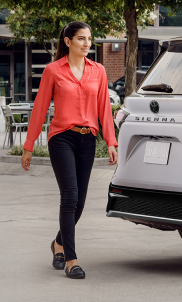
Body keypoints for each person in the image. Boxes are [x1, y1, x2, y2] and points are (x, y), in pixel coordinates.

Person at [21, 21, 118, 279]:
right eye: (81, 39)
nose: (87, 44)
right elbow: (40, 108)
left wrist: (110, 140)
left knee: (80, 203)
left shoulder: (98, 71)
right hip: (62, 138)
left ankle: (57, 244)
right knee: (70, 196)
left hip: (88, 139)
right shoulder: (53, 71)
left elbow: (104, 109)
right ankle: (71, 260)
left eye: (89, 39)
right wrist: (29, 146)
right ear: (68, 42)